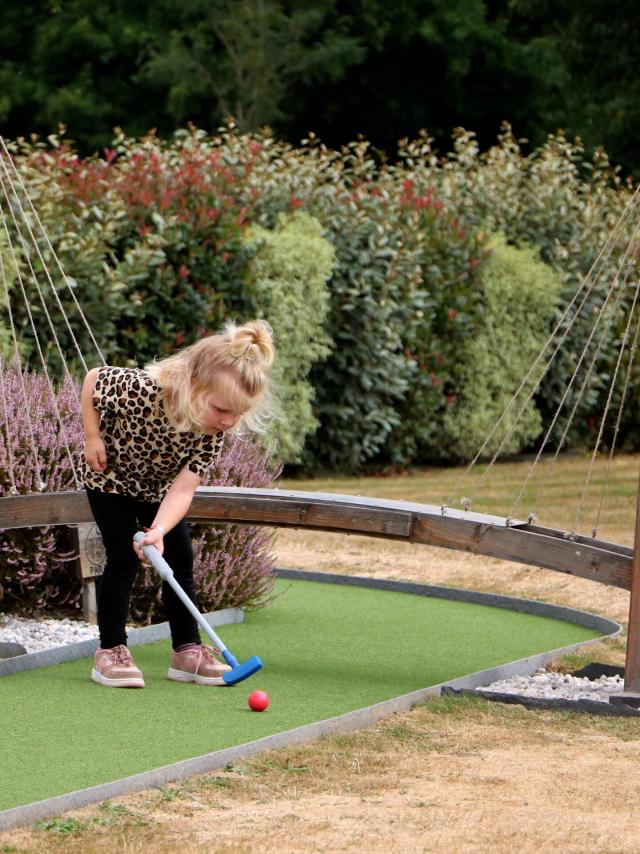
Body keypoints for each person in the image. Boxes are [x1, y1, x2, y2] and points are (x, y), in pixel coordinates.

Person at [80, 320, 275, 689]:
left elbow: (183, 490)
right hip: (110, 478)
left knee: (179, 559)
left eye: (237, 414)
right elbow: (92, 380)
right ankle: (110, 651)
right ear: (193, 384)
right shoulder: (142, 389)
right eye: (221, 409)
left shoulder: (213, 433)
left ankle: (187, 652)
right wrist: (92, 437)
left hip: (160, 489)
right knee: (123, 557)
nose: (229, 421)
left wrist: (159, 530)